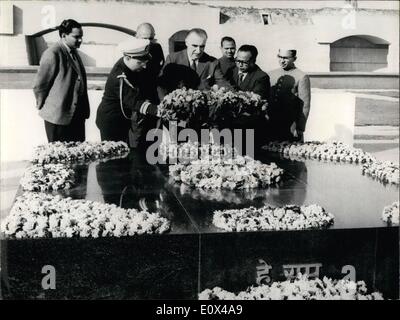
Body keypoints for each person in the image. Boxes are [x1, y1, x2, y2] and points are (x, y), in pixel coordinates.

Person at [95, 38, 159, 148]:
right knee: (112, 156)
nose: (144, 66)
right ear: (128, 58)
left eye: (145, 61)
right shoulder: (120, 77)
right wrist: (159, 111)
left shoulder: (128, 64)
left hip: (123, 118)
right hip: (111, 122)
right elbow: (135, 102)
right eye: (140, 62)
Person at [33, 19, 90, 142]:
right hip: (57, 118)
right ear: (64, 36)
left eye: (81, 37)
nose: (80, 40)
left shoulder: (74, 52)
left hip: (75, 116)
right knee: (59, 155)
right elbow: (40, 85)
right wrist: (45, 106)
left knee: (77, 155)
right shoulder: (52, 53)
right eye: (76, 37)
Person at [158, 28, 230, 99]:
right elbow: (161, 85)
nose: (198, 51)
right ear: (186, 43)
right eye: (194, 46)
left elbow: (223, 83)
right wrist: (165, 102)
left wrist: (237, 95)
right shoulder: (173, 59)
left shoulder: (212, 62)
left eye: (202, 46)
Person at [267, 47, 311, 142]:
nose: (282, 61)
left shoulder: (302, 76)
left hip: (291, 125)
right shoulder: (271, 74)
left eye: (286, 58)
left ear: (294, 59)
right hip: (271, 123)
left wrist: (300, 128)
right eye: (280, 57)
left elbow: (305, 105)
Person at [136, 22, 165, 103]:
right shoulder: (131, 50)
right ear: (137, 37)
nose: (148, 42)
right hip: (137, 92)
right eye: (144, 38)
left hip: (153, 90)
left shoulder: (157, 47)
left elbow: (161, 66)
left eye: (151, 38)